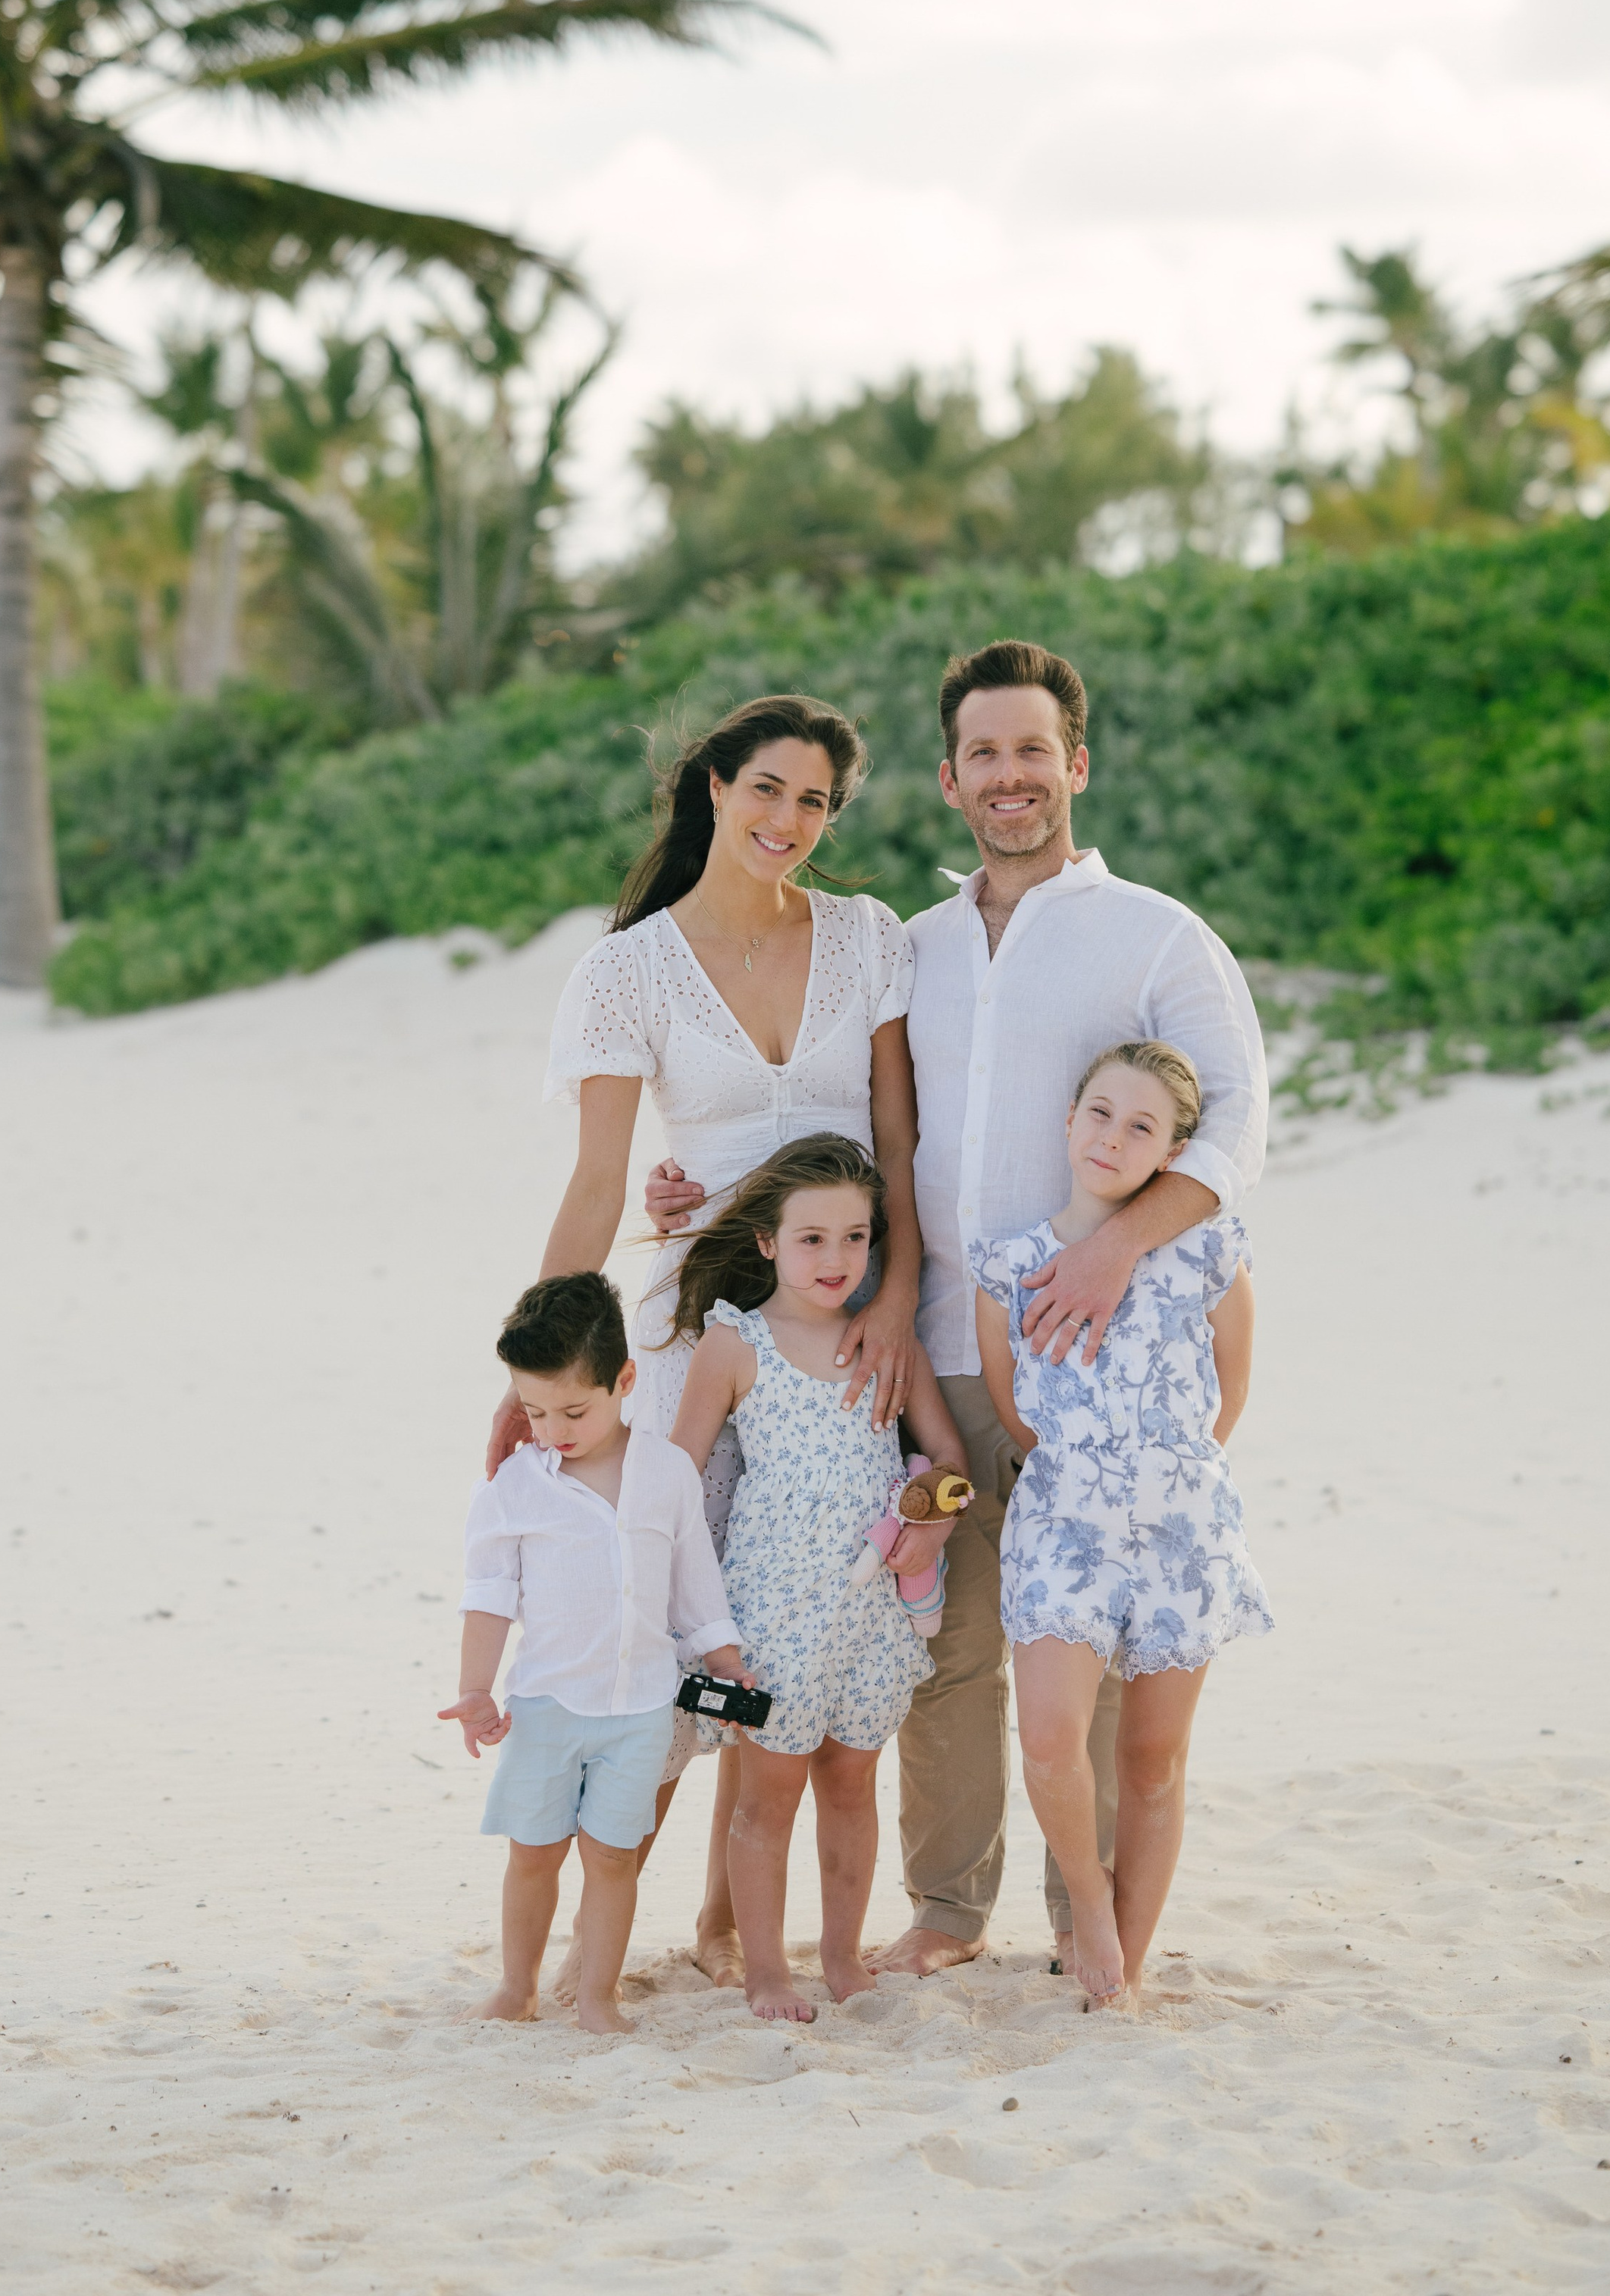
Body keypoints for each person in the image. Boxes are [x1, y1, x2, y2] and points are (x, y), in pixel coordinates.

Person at [647, 639, 1267, 1976]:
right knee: (947, 1648)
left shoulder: (1158, 934)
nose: (1009, 775)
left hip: (1097, 1368)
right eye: (983, 753)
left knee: (1096, 1658)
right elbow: (841, 1122)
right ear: (948, 778)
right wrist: (692, 1185)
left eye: (1033, 749)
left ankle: (1090, 1921)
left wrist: (1113, 1253)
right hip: (930, 1344)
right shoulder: (909, 947)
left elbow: (1236, 1129)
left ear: (1076, 764)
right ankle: (947, 1908)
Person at [491, 694, 922, 1991]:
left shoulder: (869, 936)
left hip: (839, 1324)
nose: (789, 819)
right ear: (716, 787)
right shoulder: (627, 970)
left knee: (795, 1614)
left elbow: (899, 1146)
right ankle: (596, 1938)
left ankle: (731, 1924)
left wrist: (895, 1298)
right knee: (668, 1613)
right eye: (767, 789)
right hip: (696, 1334)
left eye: (816, 800)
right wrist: (540, 1364)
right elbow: (598, 1182)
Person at [973, 1040, 1270, 2006]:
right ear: (1068, 1120)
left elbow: (1231, 1387)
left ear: (1174, 1152)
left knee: (1150, 1757)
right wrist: (1091, 1473)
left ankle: (1123, 1969)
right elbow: (1015, 1410)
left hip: (1184, 1529)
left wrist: (1165, 1471)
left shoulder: (1209, 1249)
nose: (1112, 1137)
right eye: (1099, 1112)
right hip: (1063, 1525)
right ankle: (1088, 1906)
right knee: (1049, 1737)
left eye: (1141, 1126)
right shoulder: (1010, 1267)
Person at [669, 1137, 969, 2022]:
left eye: (854, 1237)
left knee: (850, 1786)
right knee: (766, 1799)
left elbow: (948, 1459)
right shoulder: (735, 1343)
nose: (836, 1258)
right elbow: (679, 1482)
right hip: (771, 1619)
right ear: (766, 1241)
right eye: (811, 1238)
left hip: (870, 1616)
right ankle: (765, 1969)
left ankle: (840, 1956)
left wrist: (934, 1511)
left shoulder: (885, 1341)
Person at [442, 1270, 755, 2034]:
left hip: (639, 1709)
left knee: (614, 1857)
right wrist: (476, 1688)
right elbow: (489, 1594)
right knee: (533, 1852)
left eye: (573, 1410)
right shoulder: (516, 1485)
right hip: (546, 1706)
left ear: (625, 1381)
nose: (553, 1428)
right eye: (535, 1410)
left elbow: (694, 1582)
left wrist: (724, 1659)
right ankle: (516, 1986)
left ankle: (597, 1996)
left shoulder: (667, 1472)